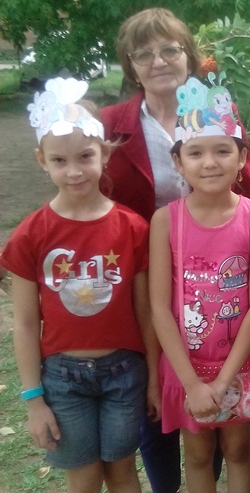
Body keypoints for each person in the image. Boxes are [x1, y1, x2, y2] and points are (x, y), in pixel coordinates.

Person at [101, 7, 250, 493]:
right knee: (164, 416)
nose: (158, 61)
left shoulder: (218, 114)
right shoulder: (112, 126)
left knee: (233, 447)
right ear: (131, 66)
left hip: (227, 303)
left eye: (169, 50)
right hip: (152, 278)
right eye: (144, 54)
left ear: (188, 55)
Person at [1, 78, 156, 492]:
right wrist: (34, 400)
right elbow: (25, 323)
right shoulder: (30, 235)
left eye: (85, 156)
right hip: (62, 378)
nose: (74, 171)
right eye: (59, 160)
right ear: (42, 160)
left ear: (104, 153)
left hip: (124, 374)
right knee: (84, 479)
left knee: (122, 471)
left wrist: (155, 379)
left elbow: (145, 312)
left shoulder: (133, 228)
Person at [148, 77, 250, 493]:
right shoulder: (166, 221)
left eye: (222, 150)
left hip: (237, 366)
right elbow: (159, 308)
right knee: (198, 455)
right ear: (178, 161)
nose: (209, 162)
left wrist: (223, 382)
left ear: (241, 158)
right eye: (196, 152)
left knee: (238, 450)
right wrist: (192, 384)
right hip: (186, 367)